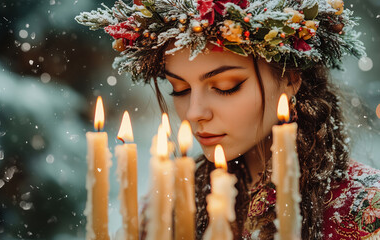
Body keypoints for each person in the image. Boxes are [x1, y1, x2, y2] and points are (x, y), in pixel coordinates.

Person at [77, 0, 379, 239]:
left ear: (290, 78)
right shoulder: (167, 207)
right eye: (179, 89)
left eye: (225, 87)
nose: (194, 113)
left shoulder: (363, 211)